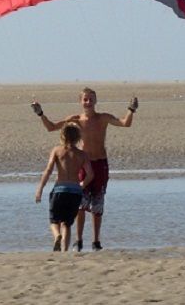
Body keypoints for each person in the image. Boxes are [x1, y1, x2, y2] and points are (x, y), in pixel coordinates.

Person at [31, 87, 138, 251]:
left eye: (91, 99)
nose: (88, 102)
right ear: (80, 101)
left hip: (100, 163)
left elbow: (126, 123)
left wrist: (131, 110)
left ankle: (96, 241)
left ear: (95, 100)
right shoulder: (75, 120)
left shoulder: (103, 118)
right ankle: (78, 241)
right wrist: (40, 113)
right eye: (85, 99)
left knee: (98, 203)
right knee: (79, 204)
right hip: (82, 164)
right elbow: (51, 127)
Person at [35, 122, 94, 252]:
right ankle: (64, 251)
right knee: (67, 224)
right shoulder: (82, 154)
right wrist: (81, 185)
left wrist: (40, 189)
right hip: (74, 193)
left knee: (54, 221)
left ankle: (57, 236)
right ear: (78, 137)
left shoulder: (57, 150)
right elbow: (90, 175)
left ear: (62, 136)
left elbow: (48, 170)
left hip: (59, 190)